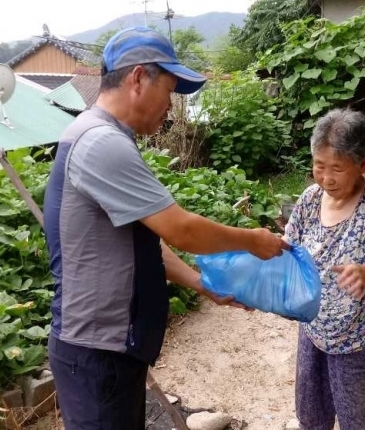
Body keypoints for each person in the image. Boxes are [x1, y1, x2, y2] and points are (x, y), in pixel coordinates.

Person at [41, 26, 288, 430]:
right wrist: (253, 241)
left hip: (111, 351)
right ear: (138, 77)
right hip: (96, 352)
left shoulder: (106, 137)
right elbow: (181, 230)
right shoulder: (100, 142)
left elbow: (143, 242)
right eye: (169, 90)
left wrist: (200, 283)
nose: (170, 107)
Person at [283, 109, 365, 430]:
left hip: (364, 336)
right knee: (312, 416)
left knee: (364, 421)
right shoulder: (310, 200)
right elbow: (288, 250)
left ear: (363, 164)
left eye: (337, 169)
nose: (325, 178)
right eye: (319, 166)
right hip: (314, 330)